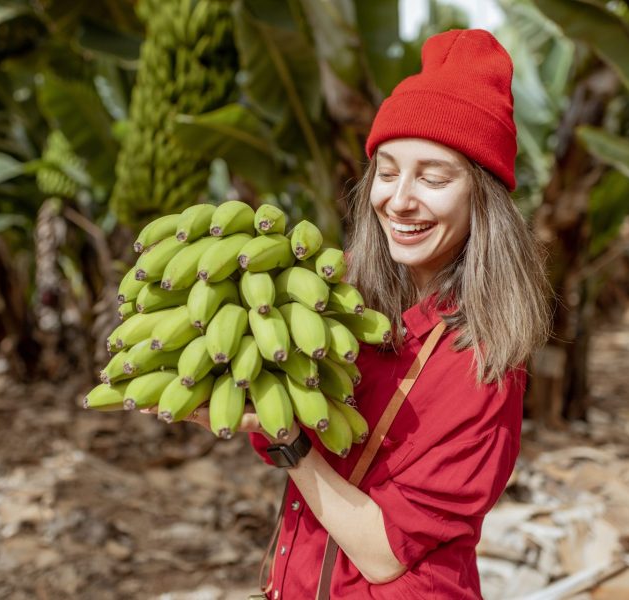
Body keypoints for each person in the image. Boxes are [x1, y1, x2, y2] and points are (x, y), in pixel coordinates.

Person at [152, 28, 550, 598]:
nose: (400, 199)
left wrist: (287, 439)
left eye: (434, 178)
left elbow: (383, 552)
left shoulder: (482, 366)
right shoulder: (341, 305)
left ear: (481, 201)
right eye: (387, 172)